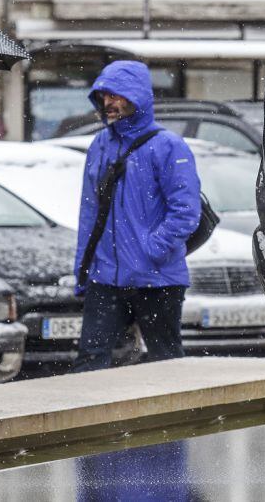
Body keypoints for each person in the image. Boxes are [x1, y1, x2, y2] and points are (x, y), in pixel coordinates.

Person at [72, 60, 201, 372]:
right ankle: (94, 420)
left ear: (138, 98)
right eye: (104, 96)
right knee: (90, 361)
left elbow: (186, 210)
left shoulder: (168, 146)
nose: (109, 103)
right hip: (105, 276)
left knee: (165, 363)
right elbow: (89, 212)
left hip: (156, 279)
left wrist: (152, 249)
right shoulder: (100, 145)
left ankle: (171, 421)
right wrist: (83, 267)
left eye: (117, 96)